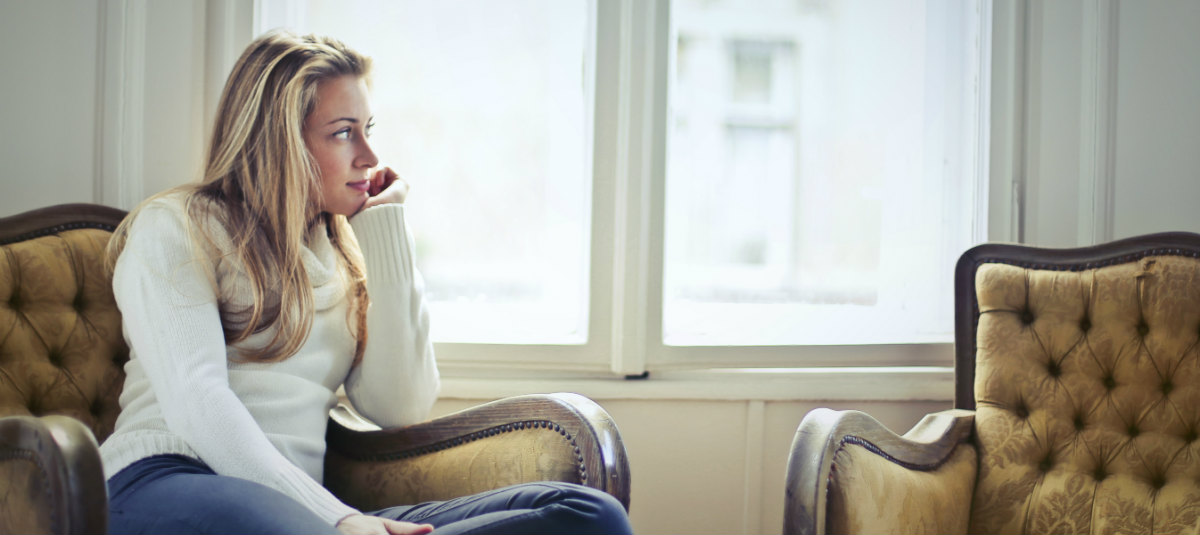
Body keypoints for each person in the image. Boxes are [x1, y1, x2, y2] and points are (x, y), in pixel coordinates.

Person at [101, 30, 633, 535]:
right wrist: (337, 520)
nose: (370, 157)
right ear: (279, 142)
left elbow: (398, 405)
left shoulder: (340, 249)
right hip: (165, 478)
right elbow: (198, 401)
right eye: (342, 133)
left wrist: (384, 230)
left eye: (367, 129)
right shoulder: (177, 225)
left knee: (589, 515)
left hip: (303, 507)